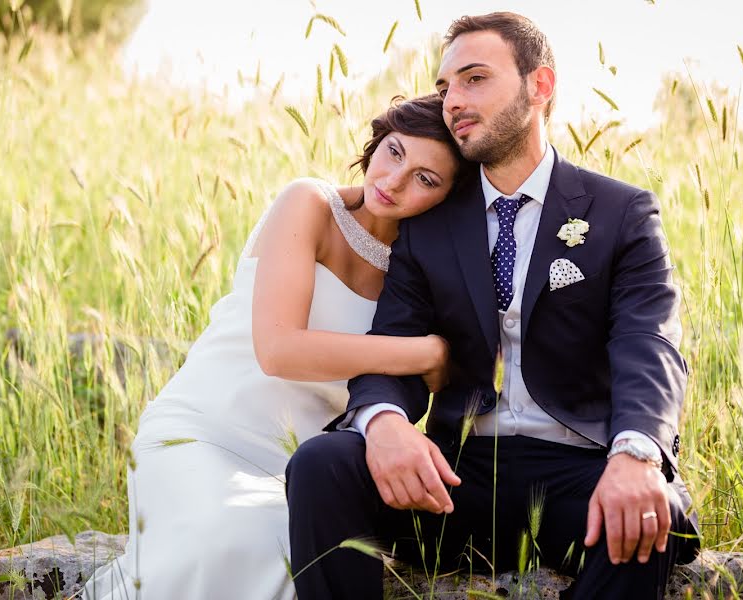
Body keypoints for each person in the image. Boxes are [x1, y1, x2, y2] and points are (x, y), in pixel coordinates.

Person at [287, 12, 701, 600]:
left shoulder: (620, 213)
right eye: (444, 87)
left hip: (579, 474)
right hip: (457, 474)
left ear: (541, 86)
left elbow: (649, 342)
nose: (453, 100)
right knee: (322, 465)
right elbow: (394, 340)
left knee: (641, 517)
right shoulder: (429, 226)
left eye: (474, 78)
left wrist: (637, 455)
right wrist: (384, 423)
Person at [80, 94, 472, 600]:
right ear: (377, 142)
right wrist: (425, 353)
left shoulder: (421, 272)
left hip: (294, 472)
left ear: (449, 198)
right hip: (202, 433)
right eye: (394, 152)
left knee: (300, 549)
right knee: (228, 538)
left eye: (425, 178)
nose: (393, 180)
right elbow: (279, 350)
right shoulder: (309, 202)